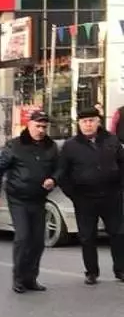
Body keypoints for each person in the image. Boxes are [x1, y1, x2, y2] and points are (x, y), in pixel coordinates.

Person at [0, 110, 58, 293]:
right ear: (29, 124)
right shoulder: (15, 145)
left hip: (38, 199)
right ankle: (18, 279)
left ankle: (31, 278)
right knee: (23, 237)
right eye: (38, 126)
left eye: (44, 126)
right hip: (18, 198)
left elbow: (59, 169)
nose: (41, 130)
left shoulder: (50, 147)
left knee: (38, 242)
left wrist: (54, 179)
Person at [56, 107, 124, 285]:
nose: (88, 125)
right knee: (87, 236)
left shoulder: (111, 140)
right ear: (79, 124)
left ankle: (121, 270)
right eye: (84, 121)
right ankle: (91, 272)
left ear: (98, 121)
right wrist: (74, 195)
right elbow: (62, 173)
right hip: (85, 198)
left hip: (111, 196)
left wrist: (120, 188)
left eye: (91, 121)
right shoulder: (70, 146)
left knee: (118, 233)